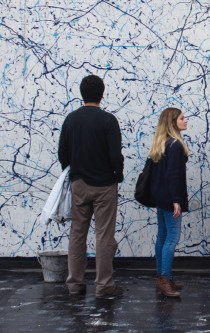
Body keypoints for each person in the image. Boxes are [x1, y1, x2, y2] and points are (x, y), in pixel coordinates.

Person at [58, 74, 124, 297]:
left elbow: (63, 154)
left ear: (81, 93)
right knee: (104, 236)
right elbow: (116, 155)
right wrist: (118, 174)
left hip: (79, 184)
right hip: (105, 185)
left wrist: (74, 171)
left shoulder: (71, 119)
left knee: (77, 234)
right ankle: (104, 285)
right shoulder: (108, 121)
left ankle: (75, 283)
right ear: (102, 93)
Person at [149, 107, 189, 297]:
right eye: (182, 118)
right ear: (173, 122)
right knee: (172, 236)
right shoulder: (176, 145)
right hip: (170, 198)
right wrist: (176, 200)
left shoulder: (161, 143)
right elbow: (174, 175)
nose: (185, 120)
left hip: (160, 197)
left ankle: (162, 276)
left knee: (162, 236)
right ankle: (165, 279)